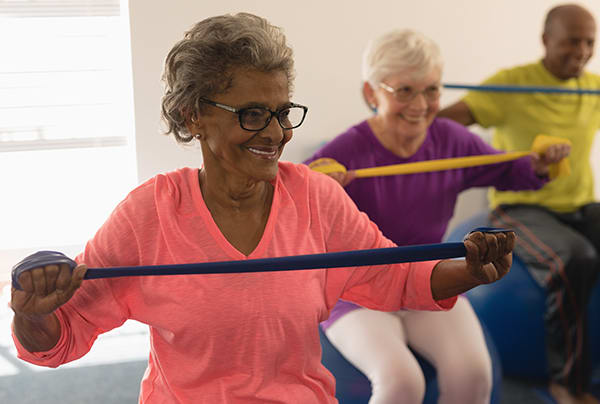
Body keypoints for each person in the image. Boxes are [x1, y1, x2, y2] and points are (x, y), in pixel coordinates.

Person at [9, 12, 516, 404]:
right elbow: (62, 337)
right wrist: (35, 316)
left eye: (280, 112)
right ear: (195, 116)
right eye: (252, 114)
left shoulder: (316, 198)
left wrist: (470, 269)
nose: (275, 133)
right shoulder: (149, 214)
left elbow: (397, 278)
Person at [304, 29, 569, 404]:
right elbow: (289, 204)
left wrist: (542, 164)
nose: (421, 104)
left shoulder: (450, 140)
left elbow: (511, 170)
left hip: (429, 281)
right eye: (405, 91)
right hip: (358, 293)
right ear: (371, 94)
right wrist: (315, 188)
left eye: (431, 90)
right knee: (401, 382)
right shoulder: (344, 152)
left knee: (474, 374)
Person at [438, 4, 600, 404]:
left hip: (581, 205)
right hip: (520, 206)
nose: (580, 51)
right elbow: (442, 124)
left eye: (589, 42)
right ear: (546, 40)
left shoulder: (592, 88)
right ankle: (568, 384)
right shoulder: (512, 85)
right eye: (571, 41)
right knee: (573, 259)